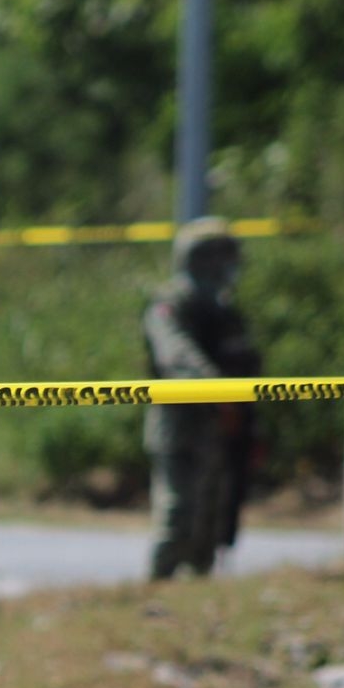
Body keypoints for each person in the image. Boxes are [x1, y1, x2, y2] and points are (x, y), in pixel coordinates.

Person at [142, 217, 261, 580]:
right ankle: (157, 589)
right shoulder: (173, 304)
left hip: (224, 429)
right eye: (223, 257)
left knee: (213, 521)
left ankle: (197, 594)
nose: (230, 266)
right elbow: (177, 354)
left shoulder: (225, 309)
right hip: (182, 426)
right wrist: (217, 391)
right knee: (179, 515)